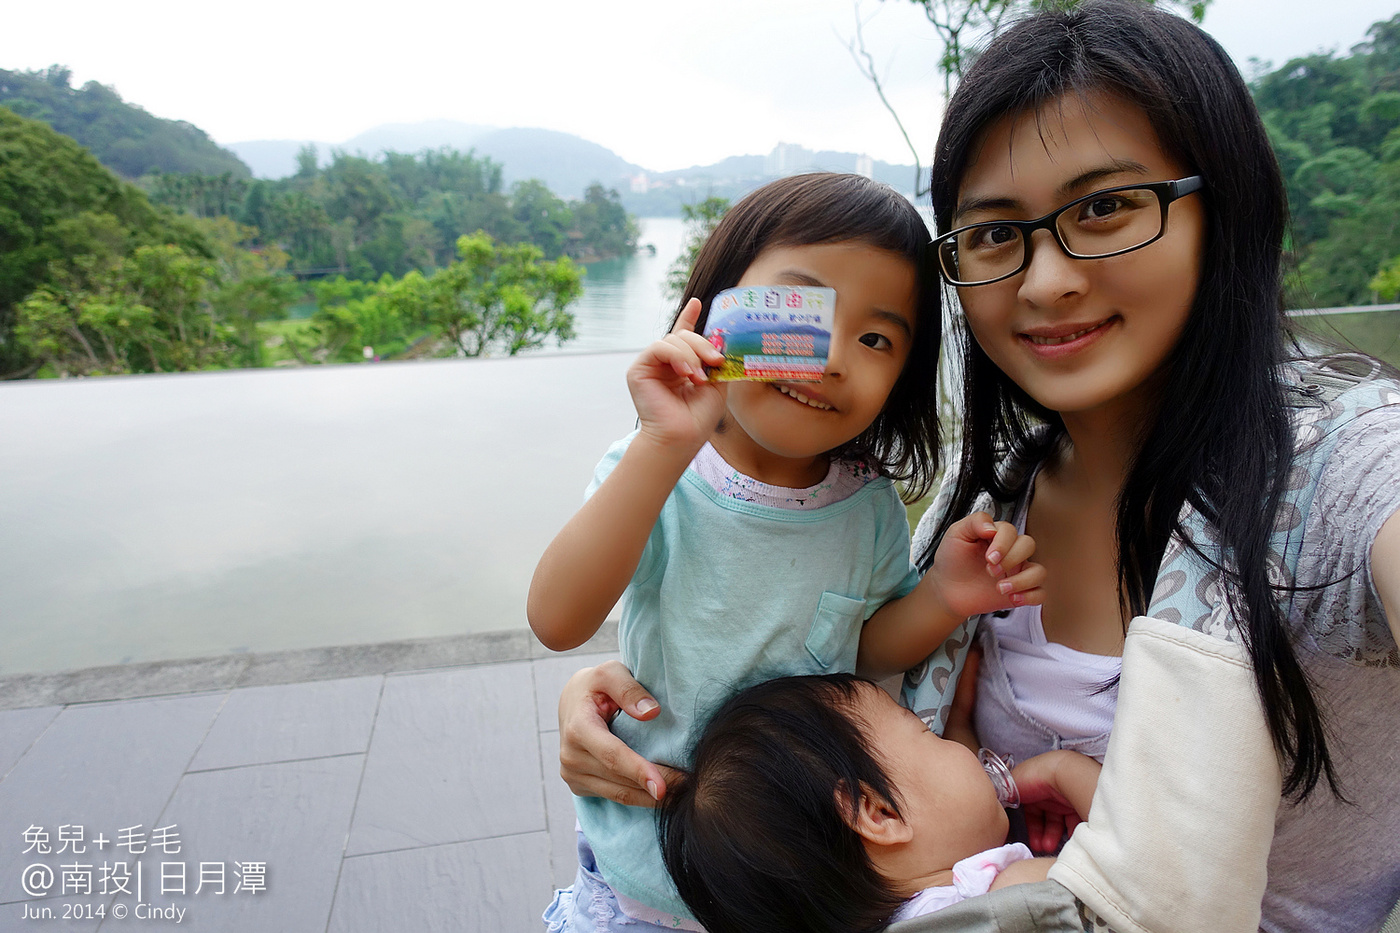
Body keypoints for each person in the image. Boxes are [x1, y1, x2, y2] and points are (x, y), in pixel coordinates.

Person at [553, 4, 1400, 932]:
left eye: (1106, 207)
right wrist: (654, 690)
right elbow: (843, 681)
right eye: (996, 233)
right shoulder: (990, 502)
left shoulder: (1333, 474)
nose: (1044, 281)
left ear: (1224, 207)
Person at [528, 172, 1044, 931]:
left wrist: (944, 595)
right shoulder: (664, 473)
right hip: (641, 876)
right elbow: (557, 618)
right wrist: (661, 445)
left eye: (876, 339)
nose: (833, 357)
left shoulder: (866, 505)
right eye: (798, 314)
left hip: (797, 885)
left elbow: (863, 653)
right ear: (715, 309)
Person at [656, 673, 1100, 933]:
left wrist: (963, 719)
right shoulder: (1013, 899)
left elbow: (940, 802)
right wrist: (1064, 770)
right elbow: (1142, 859)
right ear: (878, 814)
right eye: (929, 734)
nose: (960, 750)